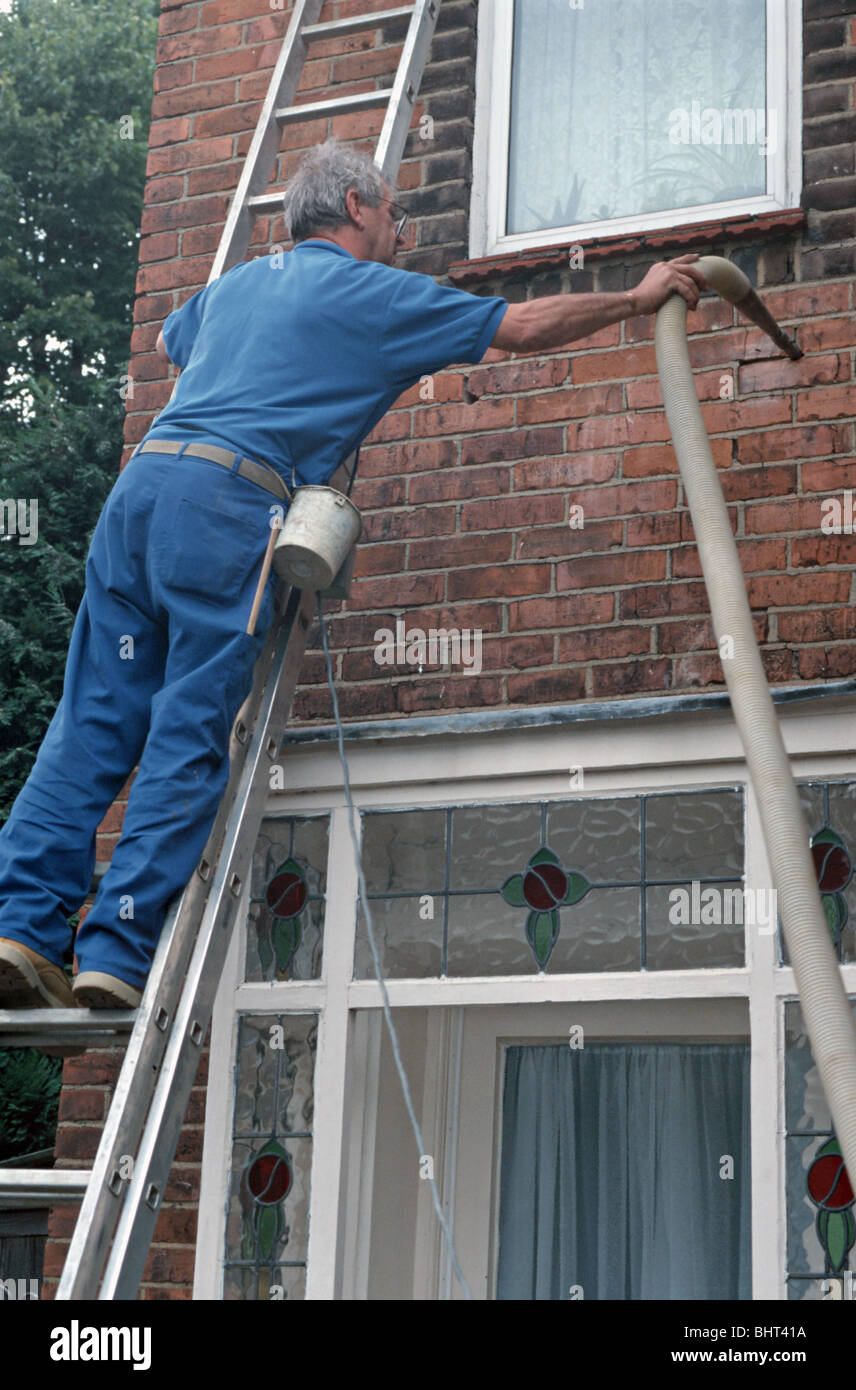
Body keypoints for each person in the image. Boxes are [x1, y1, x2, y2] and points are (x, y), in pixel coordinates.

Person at [0, 137, 707, 1027]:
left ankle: (19, 929)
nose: (401, 230)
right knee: (187, 728)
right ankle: (113, 953)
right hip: (228, 509)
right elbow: (522, 326)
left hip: (141, 494)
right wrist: (639, 298)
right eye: (396, 213)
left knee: (90, 722)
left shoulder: (237, 287)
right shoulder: (373, 293)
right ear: (359, 207)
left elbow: (172, 339)